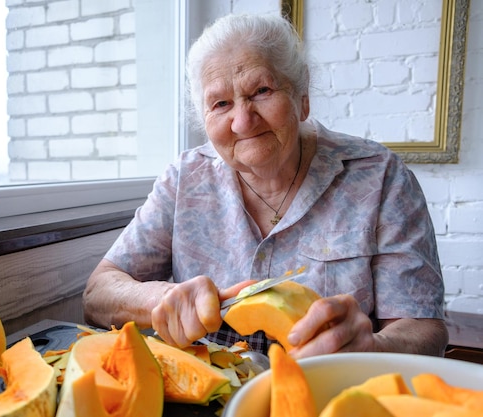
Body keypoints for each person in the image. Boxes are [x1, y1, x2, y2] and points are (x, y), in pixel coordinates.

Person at [82, 13, 448, 358]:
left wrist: (373, 349)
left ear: (302, 98)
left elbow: (424, 328)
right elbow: (98, 292)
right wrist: (164, 298)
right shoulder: (184, 179)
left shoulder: (380, 177)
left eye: (261, 90)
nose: (242, 121)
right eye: (221, 103)